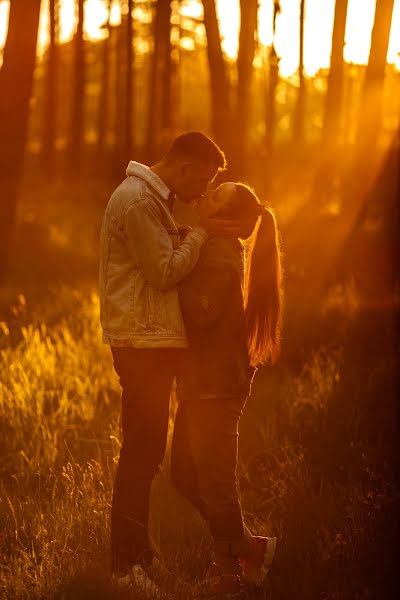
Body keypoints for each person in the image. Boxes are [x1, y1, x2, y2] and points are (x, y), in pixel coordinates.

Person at [99, 132, 240, 593]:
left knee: (147, 452)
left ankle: (139, 554)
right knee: (140, 453)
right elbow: (162, 272)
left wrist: (189, 233)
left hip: (151, 344)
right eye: (204, 180)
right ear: (183, 167)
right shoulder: (138, 201)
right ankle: (124, 568)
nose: (203, 191)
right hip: (141, 346)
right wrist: (200, 233)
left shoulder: (151, 201)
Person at [171, 182, 283, 597]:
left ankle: (229, 572)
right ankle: (247, 546)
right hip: (204, 384)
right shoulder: (214, 247)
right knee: (183, 474)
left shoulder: (220, 253)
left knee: (214, 483)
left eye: (215, 198)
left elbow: (202, 311)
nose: (204, 196)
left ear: (231, 222)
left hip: (216, 387)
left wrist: (167, 276)